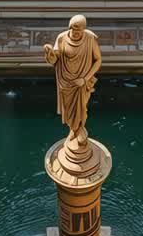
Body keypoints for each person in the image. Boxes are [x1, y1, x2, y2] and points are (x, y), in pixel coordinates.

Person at [43, 14, 102, 147]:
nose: (75, 33)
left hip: (81, 83)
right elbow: (55, 60)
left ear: (83, 29)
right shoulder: (61, 38)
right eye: (73, 30)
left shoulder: (90, 39)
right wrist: (49, 53)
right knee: (68, 110)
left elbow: (98, 60)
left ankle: (79, 129)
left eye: (78, 31)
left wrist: (84, 79)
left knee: (81, 108)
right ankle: (74, 130)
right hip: (65, 81)